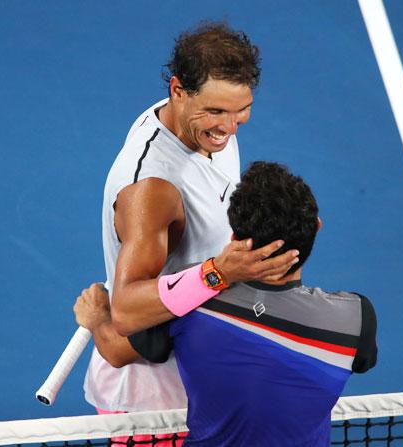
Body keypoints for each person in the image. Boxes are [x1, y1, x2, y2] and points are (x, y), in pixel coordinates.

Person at [82, 21, 299, 444]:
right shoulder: (152, 190)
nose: (230, 128)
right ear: (178, 90)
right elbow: (126, 314)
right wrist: (221, 271)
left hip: (206, 373)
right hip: (155, 403)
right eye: (217, 112)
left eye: (242, 110)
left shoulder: (203, 127)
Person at [75, 161, 378, 446]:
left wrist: (98, 317)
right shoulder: (356, 317)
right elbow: (362, 361)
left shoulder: (190, 302)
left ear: (234, 237)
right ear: (317, 227)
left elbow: (117, 349)